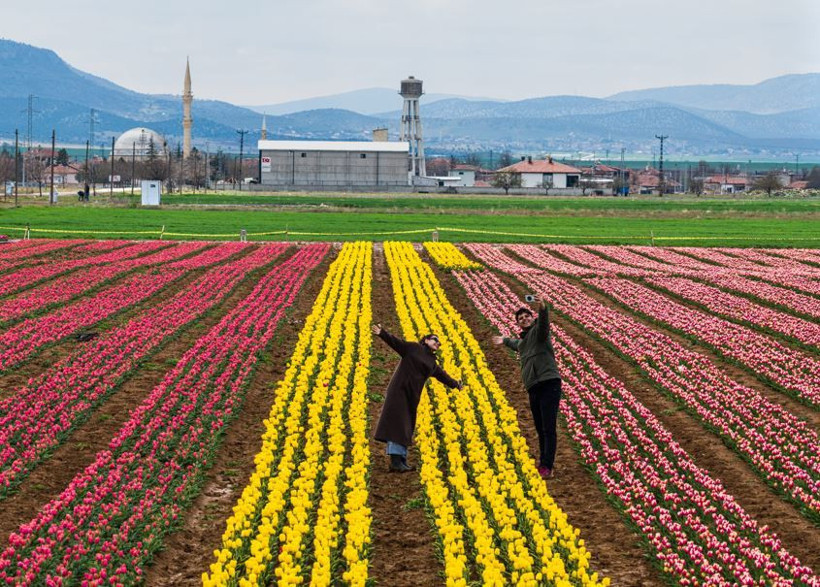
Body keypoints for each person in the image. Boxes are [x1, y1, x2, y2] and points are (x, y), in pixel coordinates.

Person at [372, 323, 463, 472]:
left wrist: (456, 385)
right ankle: (396, 461)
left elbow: (443, 376)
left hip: (412, 396)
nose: (437, 343)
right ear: (426, 340)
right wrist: (382, 333)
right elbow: (396, 343)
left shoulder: (432, 362)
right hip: (399, 391)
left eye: (439, 342)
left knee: (406, 426)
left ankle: (401, 459)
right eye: (435, 339)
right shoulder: (413, 348)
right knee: (398, 424)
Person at [492, 296, 562, 479]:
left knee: (548, 427)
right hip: (533, 387)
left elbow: (544, 323)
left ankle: (547, 466)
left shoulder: (539, 333)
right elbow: (515, 344)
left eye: (526, 316)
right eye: (520, 318)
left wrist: (543, 308)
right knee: (540, 428)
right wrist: (503, 340)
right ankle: (543, 464)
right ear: (518, 324)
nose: (524, 319)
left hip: (548, 382)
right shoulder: (523, 342)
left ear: (532, 318)